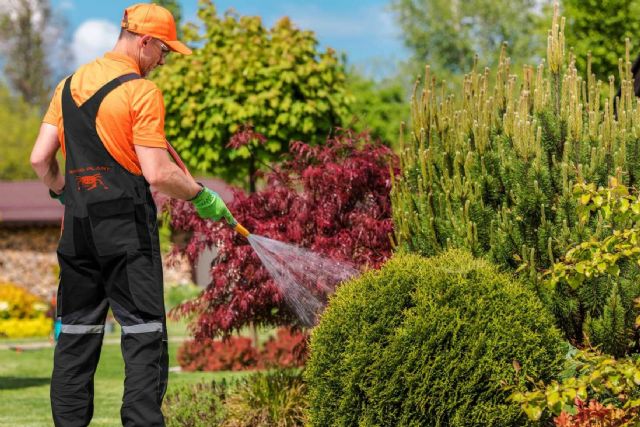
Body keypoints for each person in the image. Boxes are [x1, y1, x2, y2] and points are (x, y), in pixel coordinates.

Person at [29, 4, 233, 426]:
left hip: (79, 231)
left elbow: (39, 159)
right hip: (127, 231)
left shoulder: (66, 85)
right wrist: (199, 195)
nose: (164, 61)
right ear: (145, 42)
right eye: (164, 52)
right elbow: (158, 173)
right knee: (143, 336)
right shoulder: (141, 91)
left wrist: (64, 191)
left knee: (76, 337)